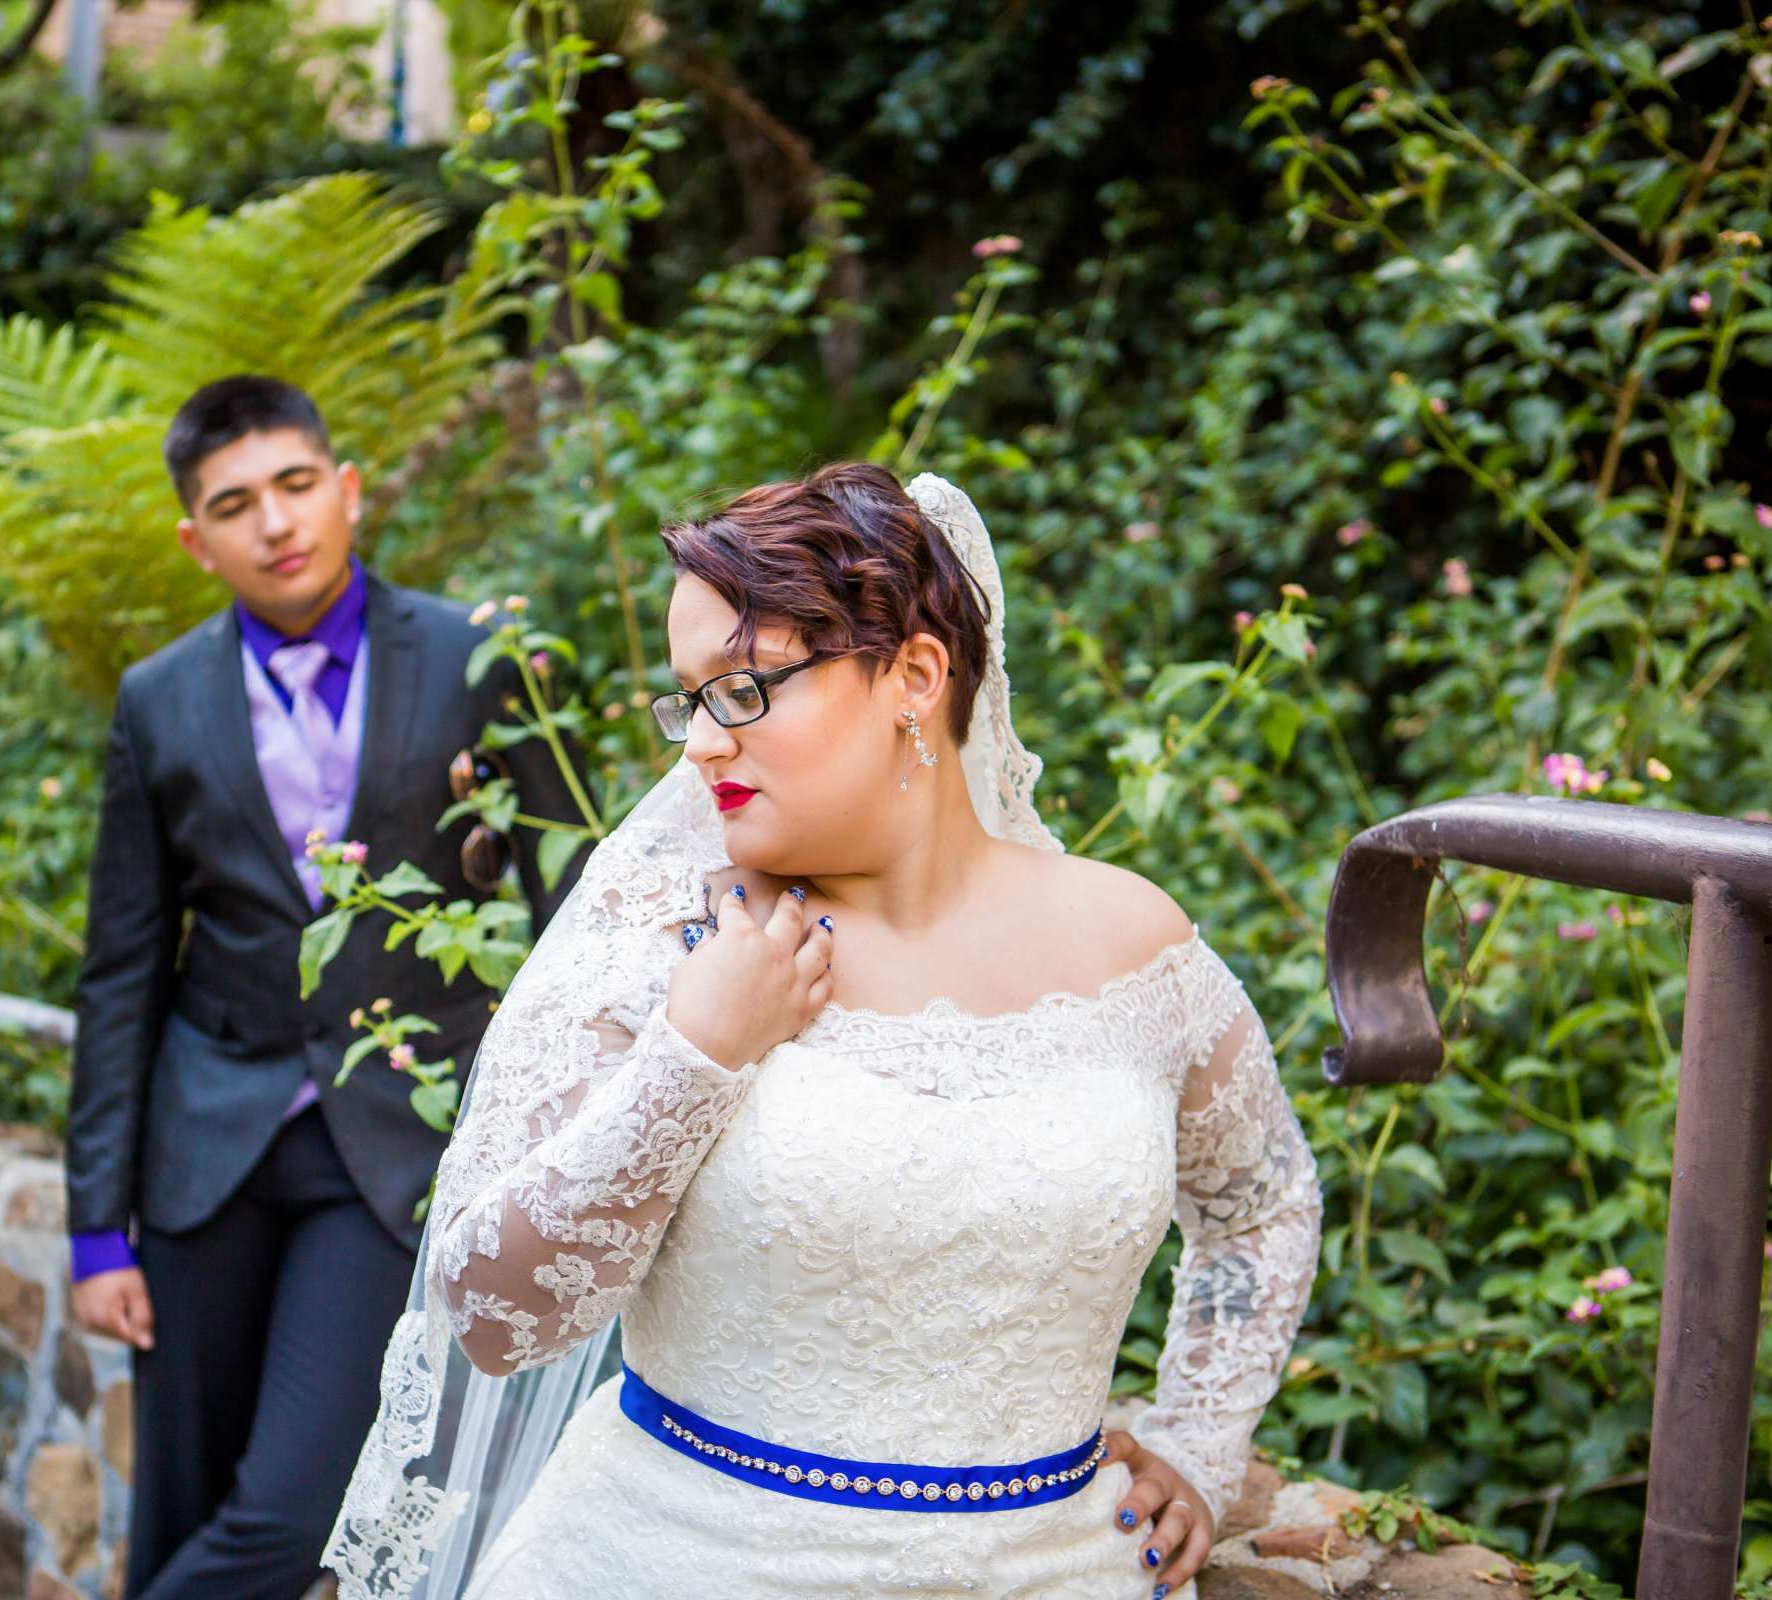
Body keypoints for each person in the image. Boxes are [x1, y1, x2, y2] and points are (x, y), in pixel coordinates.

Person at [324, 464, 1322, 1599]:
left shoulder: (1132, 942)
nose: (700, 744)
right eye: (688, 699)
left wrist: (1194, 1444)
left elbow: (1264, 1207)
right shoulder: (657, 936)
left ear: (915, 675)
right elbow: (497, 1316)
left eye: (742, 690)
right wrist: (695, 1056)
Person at [64, 376, 592, 1600]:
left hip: (396, 1146)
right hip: (204, 1158)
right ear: (198, 539)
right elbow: (123, 969)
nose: (276, 522)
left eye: (296, 485)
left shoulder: (482, 657)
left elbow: (572, 907)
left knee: (294, 1513)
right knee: (184, 1504)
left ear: (346, 490)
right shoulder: (159, 700)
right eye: (235, 504)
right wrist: (98, 1225)